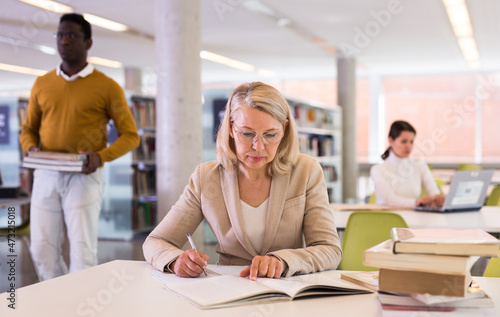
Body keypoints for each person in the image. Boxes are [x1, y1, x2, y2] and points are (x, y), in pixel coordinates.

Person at [143, 82, 342, 280]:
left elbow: (330, 250)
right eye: (247, 134)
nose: (258, 146)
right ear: (230, 128)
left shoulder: (306, 171)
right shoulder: (206, 177)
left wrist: (284, 261)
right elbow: (156, 241)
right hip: (228, 289)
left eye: (270, 135)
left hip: (285, 290)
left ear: (284, 130)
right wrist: (176, 260)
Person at [19, 13, 139, 280]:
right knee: (41, 251)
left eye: (72, 35)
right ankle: (59, 303)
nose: (64, 41)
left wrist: (100, 157)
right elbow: (28, 130)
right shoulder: (42, 83)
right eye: (60, 35)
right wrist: (30, 147)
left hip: (84, 177)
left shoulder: (107, 87)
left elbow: (131, 135)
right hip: (46, 174)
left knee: (82, 256)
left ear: (88, 42)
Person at [370, 120, 445, 208]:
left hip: (413, 218)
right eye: (404, 141)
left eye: (411, 142)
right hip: (387, 218)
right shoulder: (378, 169)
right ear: (390, 140)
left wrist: (437, 198)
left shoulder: (419, 165)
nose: (408, 146)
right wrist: (416, 202)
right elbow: (389, 199)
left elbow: (434, 192)